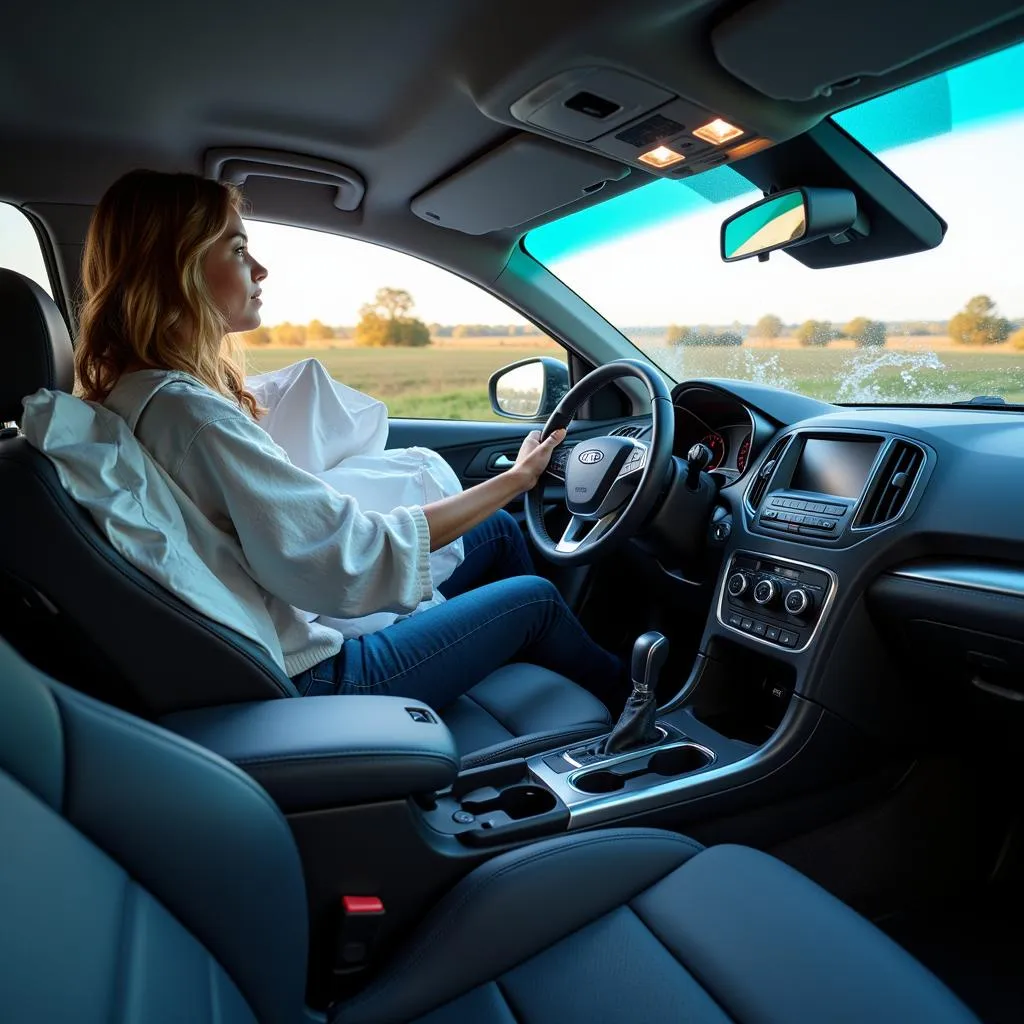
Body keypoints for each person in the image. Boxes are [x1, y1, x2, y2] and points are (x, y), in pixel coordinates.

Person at [73, 169, 626, 710]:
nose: (260, 269)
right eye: (238, 250)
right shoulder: (192, 416)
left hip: (276, 634)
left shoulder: (138, 395)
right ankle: (649, 711)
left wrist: (500, 496)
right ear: (177, 269)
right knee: (535, 602)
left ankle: (511, 672)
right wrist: (516, 479)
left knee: (499, 531)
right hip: (317, 676)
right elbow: (347, 562)